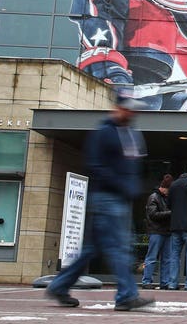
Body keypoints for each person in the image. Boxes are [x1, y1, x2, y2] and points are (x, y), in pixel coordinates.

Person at [45, 93, 151, 310]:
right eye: (129, 109)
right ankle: (126, 296)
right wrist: (122, 185)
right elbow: (94, 166)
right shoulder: (104, 133)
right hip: (107, 199)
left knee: (92, 249)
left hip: (118, 199)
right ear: (119, 108)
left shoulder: (130, 134)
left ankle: (59, 286)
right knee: (119, 248)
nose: (133, 113)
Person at [140, 174, 173, 290]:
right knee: (152, 257)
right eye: (169, 190)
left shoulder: (164, 198)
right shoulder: (154, 197)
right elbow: (153, 215)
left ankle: (165, 282)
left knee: (166, 259)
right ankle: (147, 281)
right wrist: (170, 213)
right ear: (163, 188)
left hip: (166, 232)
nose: (169, 192)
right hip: (156, 231)